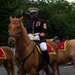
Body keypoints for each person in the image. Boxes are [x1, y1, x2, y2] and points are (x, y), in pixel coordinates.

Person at [26, 7, 53, 75]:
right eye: (30, 14)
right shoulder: (28, 23)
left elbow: (44, 31)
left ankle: (47, 64)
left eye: (32, 14)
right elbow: (26, 32)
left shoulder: (42, 21)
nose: (31, 16)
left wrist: (38, 36)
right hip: (30, 38)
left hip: (40, 39)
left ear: (36, 14)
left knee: (43, 48)